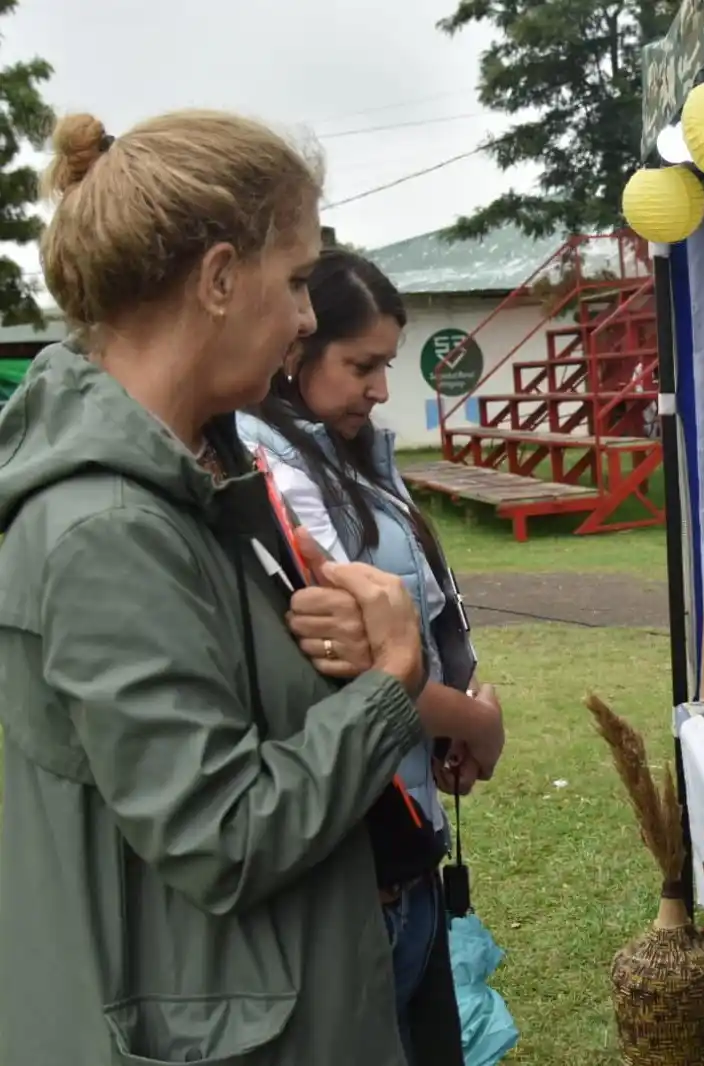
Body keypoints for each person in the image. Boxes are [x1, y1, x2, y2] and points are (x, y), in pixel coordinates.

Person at [0, 111, 484, 1066]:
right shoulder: (109, 529)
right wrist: (389, 685)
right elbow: (222, 833)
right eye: (297, 280)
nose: (306, 319)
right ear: (220, 278)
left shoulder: (205, 474)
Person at [236, 247, 505, 1059]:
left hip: (406, 829)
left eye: (386, 365)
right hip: (366, 848)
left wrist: (452, 718)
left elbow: (413, 629)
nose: (381, 389)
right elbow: (352, 663)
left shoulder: (349, 458)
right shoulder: (276, 474)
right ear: (297, 347)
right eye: (362, 365)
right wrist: (477, 724)